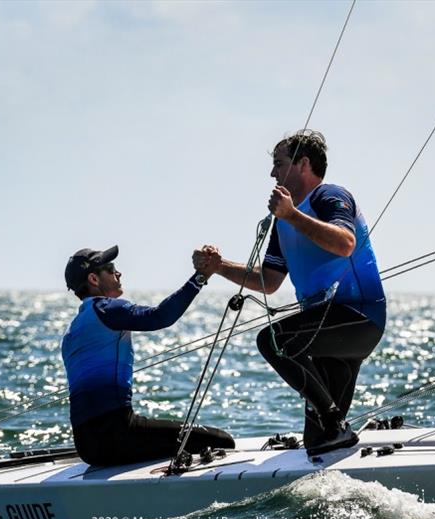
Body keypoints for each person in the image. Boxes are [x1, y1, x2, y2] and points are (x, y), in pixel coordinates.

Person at [194, 130, 386, 456]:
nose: (272, 173)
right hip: (325, 331)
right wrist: (219, 266)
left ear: (303, 164)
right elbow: (269, 281)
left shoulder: (330, 196)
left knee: (273, 340)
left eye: (278, 164)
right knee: (321, 444)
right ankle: (339, 438)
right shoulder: (283, 222)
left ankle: (335, 421)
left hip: (358, 318)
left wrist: (292, 215)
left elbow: (344, 243)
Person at [61, 246, 234, 466]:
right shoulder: (107, 310)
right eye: (111, 268)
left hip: (87, 447)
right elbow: (160, 317)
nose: (118, 273)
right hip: (120, 435)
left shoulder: (71, 332)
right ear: (94, 278)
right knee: (221, 441)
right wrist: (200, 277)